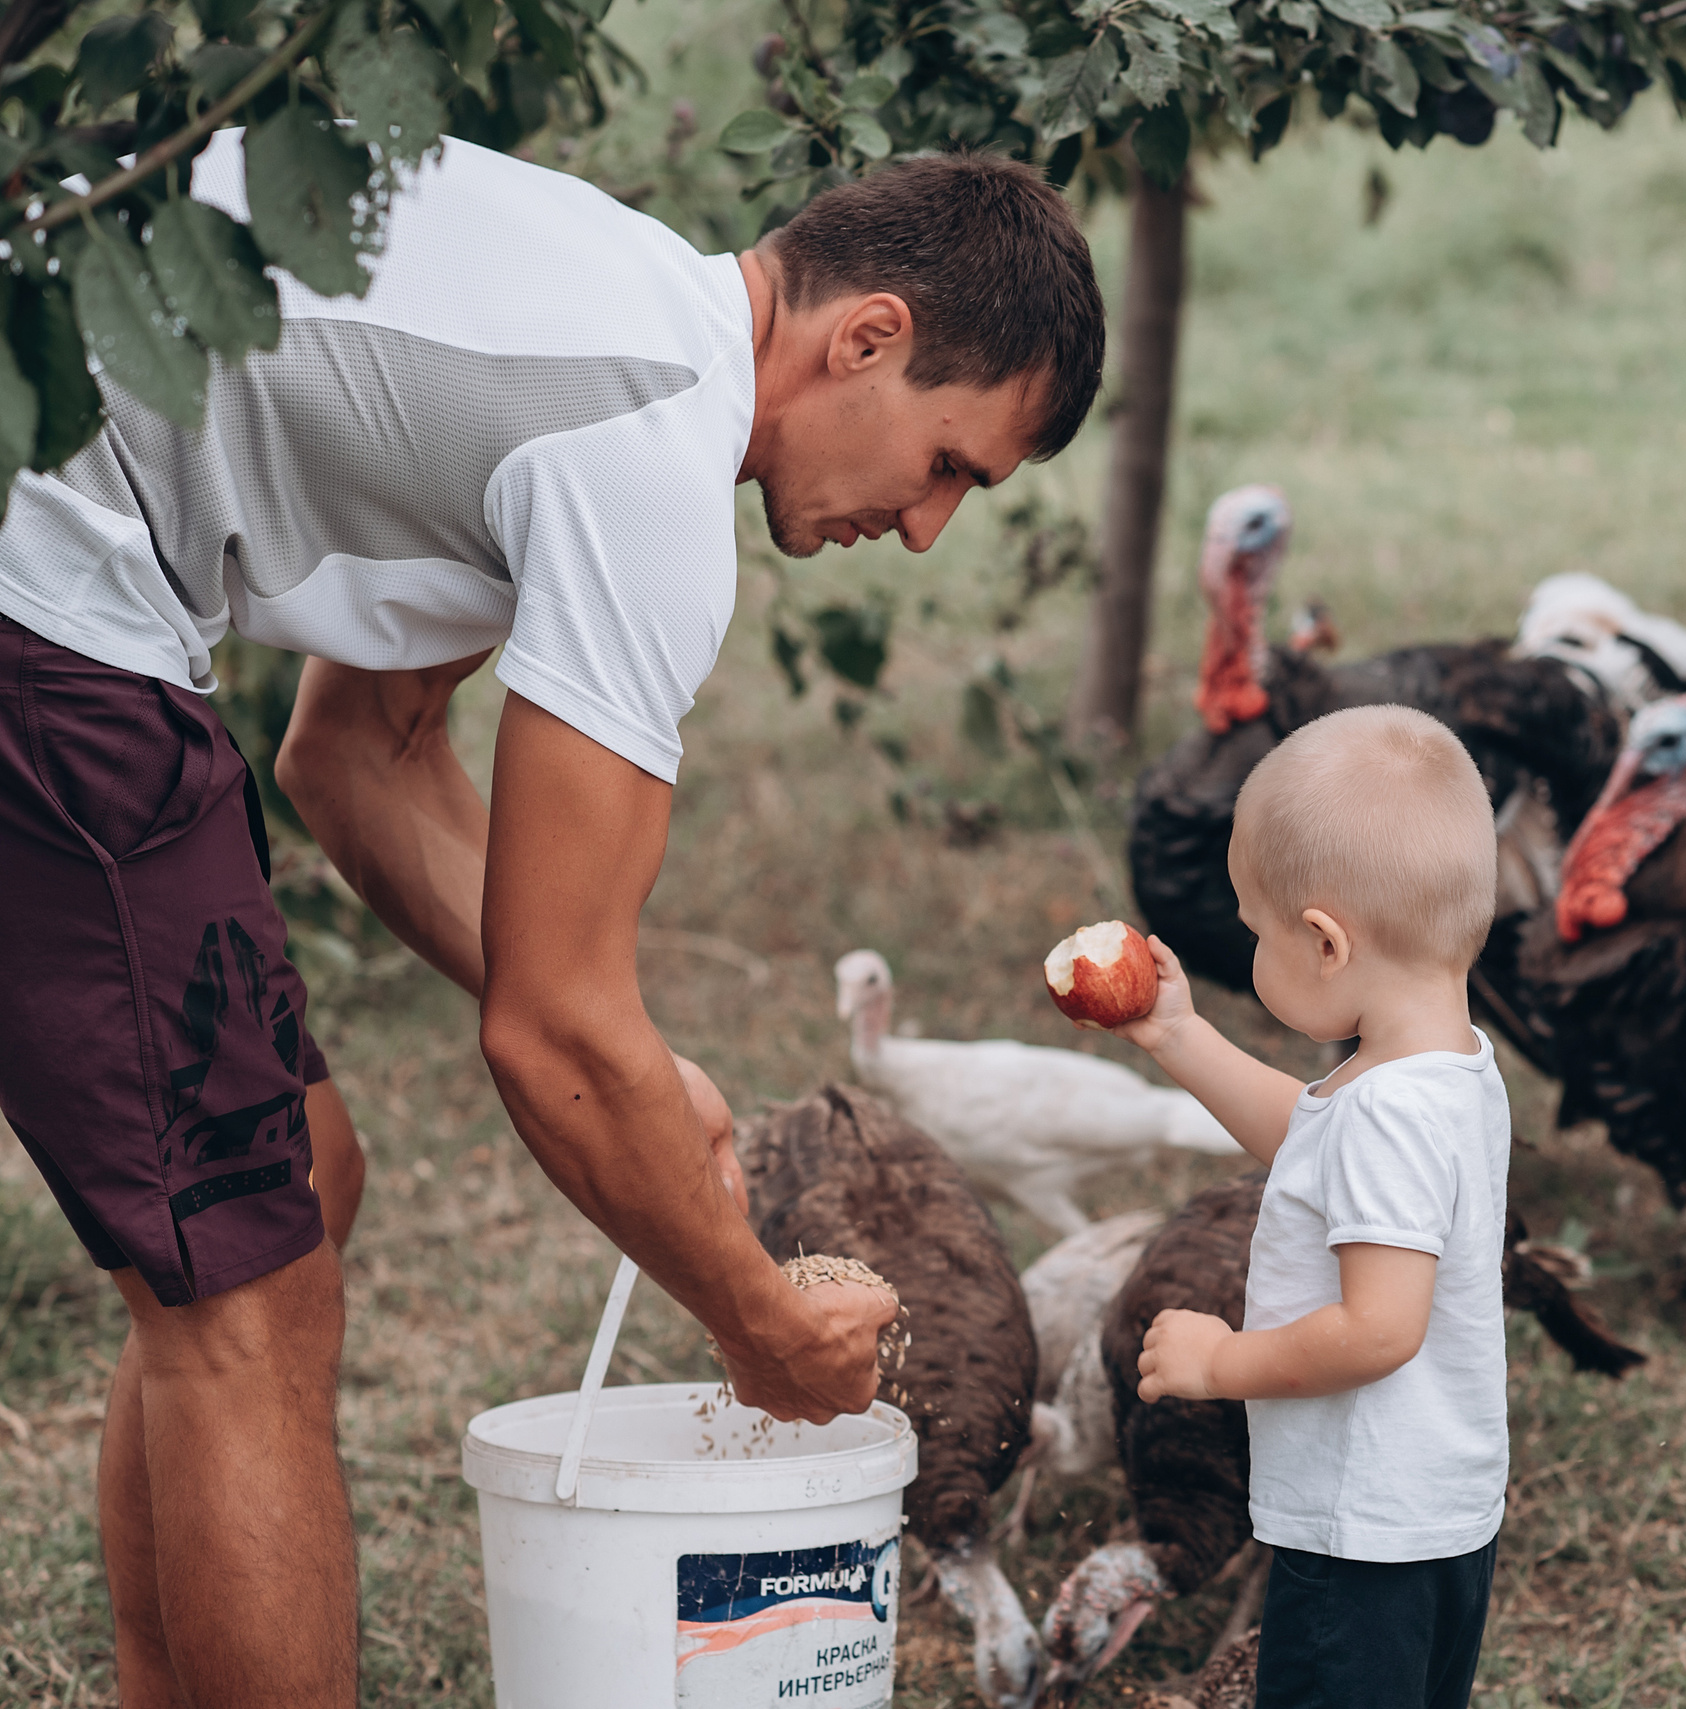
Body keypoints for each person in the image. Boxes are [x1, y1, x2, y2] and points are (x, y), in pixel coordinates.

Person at [0, 135, 1104, 1708]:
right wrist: (757, 1316)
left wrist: (643, 1064)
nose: (928, 528)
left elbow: (360, 756)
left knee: (286, 1192)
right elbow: (554, 1035)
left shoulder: (629, 308)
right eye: (948, 467)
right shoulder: (652, 449)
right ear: (871, 337)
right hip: (42, 592)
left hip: (77, 574)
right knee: (249, 1284)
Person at [1105, 704, 1510, 1709]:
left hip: (1359, 1528)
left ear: (1325, 942)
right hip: (1435, 1516)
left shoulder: (1387, 1109)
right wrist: (1180, 1041)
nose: (1249, 952)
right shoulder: (1448, 1073)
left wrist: (1219, 1361)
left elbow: (1378, 1330)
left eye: (1254, 931)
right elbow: (1320, 1137)